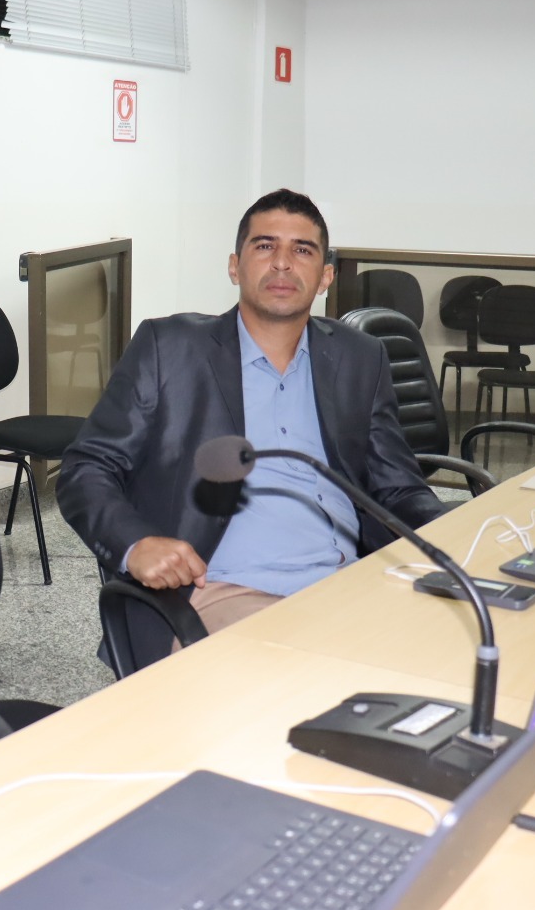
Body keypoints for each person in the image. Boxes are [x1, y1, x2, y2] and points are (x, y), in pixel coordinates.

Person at [57, 189, 444, 640]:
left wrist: (456, 531)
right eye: (264, 246)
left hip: (352, 584)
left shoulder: (360, 356)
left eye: (302, 250)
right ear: (234, 266)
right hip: (225, 590)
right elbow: (87, 468)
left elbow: (398, 487)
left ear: (325, 276)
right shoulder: (171, 348)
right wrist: (136, 543)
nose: (282, 263)